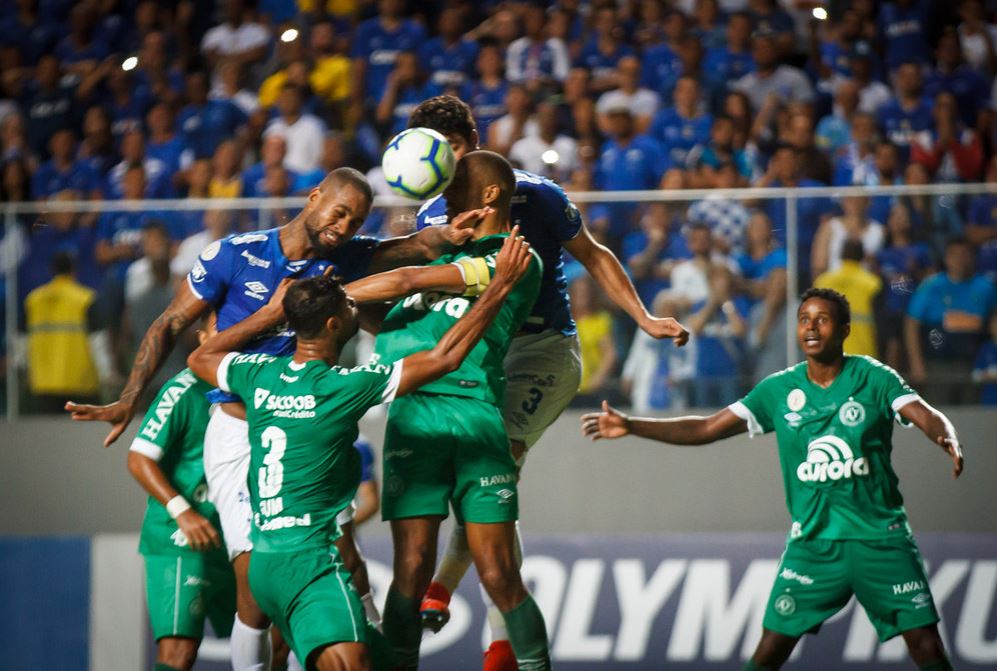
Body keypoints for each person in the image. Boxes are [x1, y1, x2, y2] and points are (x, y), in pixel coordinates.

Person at [66, 167, 479, 671]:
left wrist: (449, 235)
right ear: (314, 197)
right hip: (238, 435)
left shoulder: (344, 257)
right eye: (339, 213)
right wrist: (130, 396)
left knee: (348, 561)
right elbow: (172, 322)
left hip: (305, 432)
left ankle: (379, 654)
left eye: (355, 221)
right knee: (253, 592)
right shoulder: (233, 254)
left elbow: (411, 247)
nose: (343, 227)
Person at [408, 96, 688, 666]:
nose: (447, 166)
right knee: (484, 490)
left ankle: (455, 600)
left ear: (474, 141)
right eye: (435, 155)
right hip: (483, 360)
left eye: (454, 150)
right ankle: (492, 635)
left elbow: (594, 254)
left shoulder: (535, 195)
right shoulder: (431, 217)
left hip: (545, 353)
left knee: (490, 474)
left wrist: (642, 318)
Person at [185, 231, 535, 671]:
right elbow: (444, 358)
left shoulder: (257, 374)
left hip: (267, 562)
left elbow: (200, 357)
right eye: (349, 307)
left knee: (378, 657)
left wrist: (269, 315)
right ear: (333, 325)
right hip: (312, 565)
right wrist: (500, 285)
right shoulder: (344, 387)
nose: (356, 309)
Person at [582, 287, 964, 671]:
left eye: (822, 320)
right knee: (770, 650)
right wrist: (632, 425)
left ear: (844, 329)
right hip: (812, 547)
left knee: (926, 645)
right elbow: (707, 428)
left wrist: (945, 435)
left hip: (881, 540)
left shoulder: (873, 377)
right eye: (804, 320)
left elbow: (924, 414)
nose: (811, 328)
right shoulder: (778, 390)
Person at [345, 151, 550, 671]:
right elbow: (392, 318)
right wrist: (346, 303)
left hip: (475, 413)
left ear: (490, 195)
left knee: (499, 573)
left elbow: (407, 282)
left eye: (456, 186)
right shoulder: (445, 252)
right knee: (411, 569)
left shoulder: (515, 257)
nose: (445, 194)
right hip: (413, 414)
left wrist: (326, 295)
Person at [127, 326, 235, 671]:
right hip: (182, 538)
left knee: (273, 643)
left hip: (234, 537)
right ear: (202, 336)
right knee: (179, 652)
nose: (232, 334)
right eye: (221, 327)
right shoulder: (183, 389)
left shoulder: (251, 384)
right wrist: (182, 511)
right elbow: (139, 458)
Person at [904, 237, 996, 405]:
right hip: (938, 365)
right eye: (954, 255)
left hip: (973, 365)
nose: (959, 260)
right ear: (946, 258)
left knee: (973, 413)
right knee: (940, 412)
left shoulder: (986, 288)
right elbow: (911, 324)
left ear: (973, 257)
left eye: (964, 254)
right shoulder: (931, 286)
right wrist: (916, 363)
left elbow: (993, 322)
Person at [24, 252, 99, 412]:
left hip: (43, 382)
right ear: (74, 270)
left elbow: (22, 339)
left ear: (51, 270)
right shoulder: (85, 298)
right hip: (80, 381)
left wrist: (25, 371)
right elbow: (98, 340)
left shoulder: (33, 300)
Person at [814, 239, 883, 358]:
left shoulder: (822, 282)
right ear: (862, 256)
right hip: (863, 354)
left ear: (841, 255)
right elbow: (881, 325)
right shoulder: (873, 284)